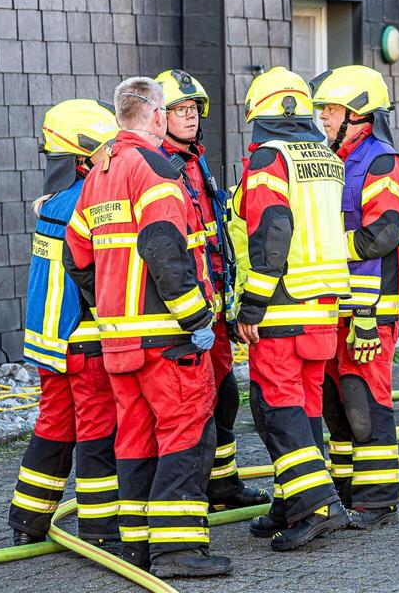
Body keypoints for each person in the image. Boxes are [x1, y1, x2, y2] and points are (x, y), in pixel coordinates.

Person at [63, 77, 232, 577]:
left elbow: (76, 254)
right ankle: (177, 550)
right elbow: (163, 247)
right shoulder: (157, 168)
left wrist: (110, 305)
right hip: (167, 338)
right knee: (183, 433)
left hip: (119, 340)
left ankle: (137, 546)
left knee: (134, 438)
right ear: (156, 116)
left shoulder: (99, 172)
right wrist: (196, 316)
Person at [235, 67, 351, 550]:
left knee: (276, 410)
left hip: (280, 307)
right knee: (305, 410)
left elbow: (273, 230)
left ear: (258, 114)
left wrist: (252, 303)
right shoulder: (324, 156)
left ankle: (317, 505)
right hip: (323, 304)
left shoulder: (269, 158)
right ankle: (288, 503)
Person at [310, 65, 399, 529]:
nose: (324, 119)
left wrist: (321, 250)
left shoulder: (381, 162)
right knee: (334, 405)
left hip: (371, 310)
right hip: (333, 306)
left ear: (360, 115)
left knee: (365, 402)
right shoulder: (329, 159)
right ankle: (344, 490)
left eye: (332, 111)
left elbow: (382, 234)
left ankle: (377, 500)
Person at [153, 68, 271, 512]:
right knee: (194, 409)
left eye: (192, 109)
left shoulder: (195, 161)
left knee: (223, 399)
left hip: (214, 310)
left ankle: (221, 486)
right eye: (178, 109)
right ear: (158, 115)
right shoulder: (159, 165)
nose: (188, 117)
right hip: (184, 316)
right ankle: (191, 492)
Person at [9, 99, 120, 549]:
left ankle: (27, 522)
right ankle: (99, 529)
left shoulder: (54, 202)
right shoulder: (91, 201)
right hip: (84, 340)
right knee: (98, 431)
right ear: (84, 156)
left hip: (48, 343)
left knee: (55, 426)